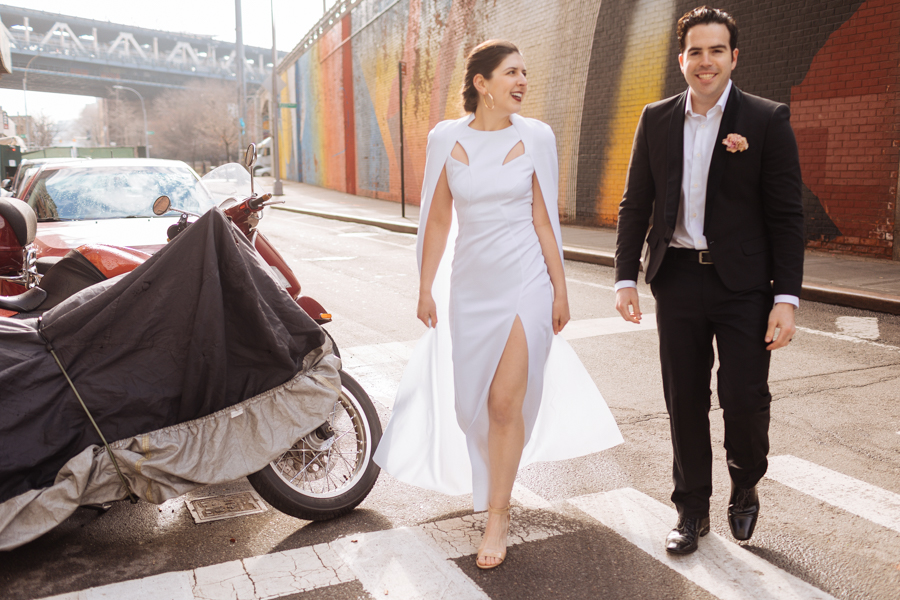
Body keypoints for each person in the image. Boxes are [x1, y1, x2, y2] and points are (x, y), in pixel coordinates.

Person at [374, 39, 622, 569]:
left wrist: (560, 287)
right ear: (481, 83)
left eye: (525, 73)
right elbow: (437, 218)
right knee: (476, 404)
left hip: (525, 282)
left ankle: (498, 514)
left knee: (506, 402)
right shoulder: (446, 138)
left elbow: (543, 219)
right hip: (470, 284)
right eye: (511, 72)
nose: (522, 81)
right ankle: (494, 486)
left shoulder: (537, 137)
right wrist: (425, 286)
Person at [614, 6, 804, 554]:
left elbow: (787, 217)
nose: (705, 61)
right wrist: (626, 275)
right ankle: (691, 508)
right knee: (685, 399)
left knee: (744, 398)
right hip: (676, 278)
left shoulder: (766, 120)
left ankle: (745, 480)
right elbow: (636, 205)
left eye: (716, 50)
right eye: (695, 51)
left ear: (733, 56)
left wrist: (785, 297)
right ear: (682, 59)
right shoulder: (656, 119)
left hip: (744, 285)